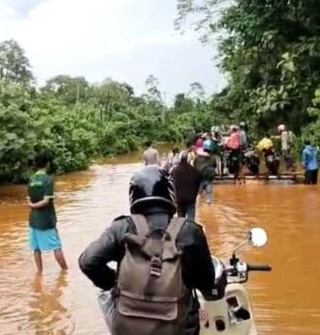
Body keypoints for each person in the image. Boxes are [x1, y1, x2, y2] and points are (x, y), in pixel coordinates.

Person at [78, 166, 214, 335]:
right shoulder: (190, 232)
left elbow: (88, 261)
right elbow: (208, 282)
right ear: (170, 193)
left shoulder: (121, 228)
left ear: (133, 195)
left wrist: (114, 283)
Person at [28, 151, 68, 273]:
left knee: (36, 248)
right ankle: (65, 272)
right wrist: (35, 205)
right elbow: (46, 201)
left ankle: (39, 272)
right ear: (47, 164)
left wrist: (32, 205)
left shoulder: (31, 179)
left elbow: (29, 198)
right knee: (56, 246)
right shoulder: (48, 180)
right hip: (46, 219)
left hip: (33, 219)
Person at [171, 154, 202, 221]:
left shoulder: (175, 170)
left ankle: (181, 230)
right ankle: (190, 229)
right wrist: (195, 194)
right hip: (191, 198)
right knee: (191, 219)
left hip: (179, 198)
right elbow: (198, 184)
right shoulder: (195, 171)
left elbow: (171, 182)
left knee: (180, 219)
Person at [194, 140, 217, 205]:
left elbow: (194, 165)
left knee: (198, 193)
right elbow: (215, 166)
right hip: (209, 179)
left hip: (199, 178)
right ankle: (209, 206)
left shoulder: (197, 157)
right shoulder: (213, 158)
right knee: (209, 194)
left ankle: (197, 207)